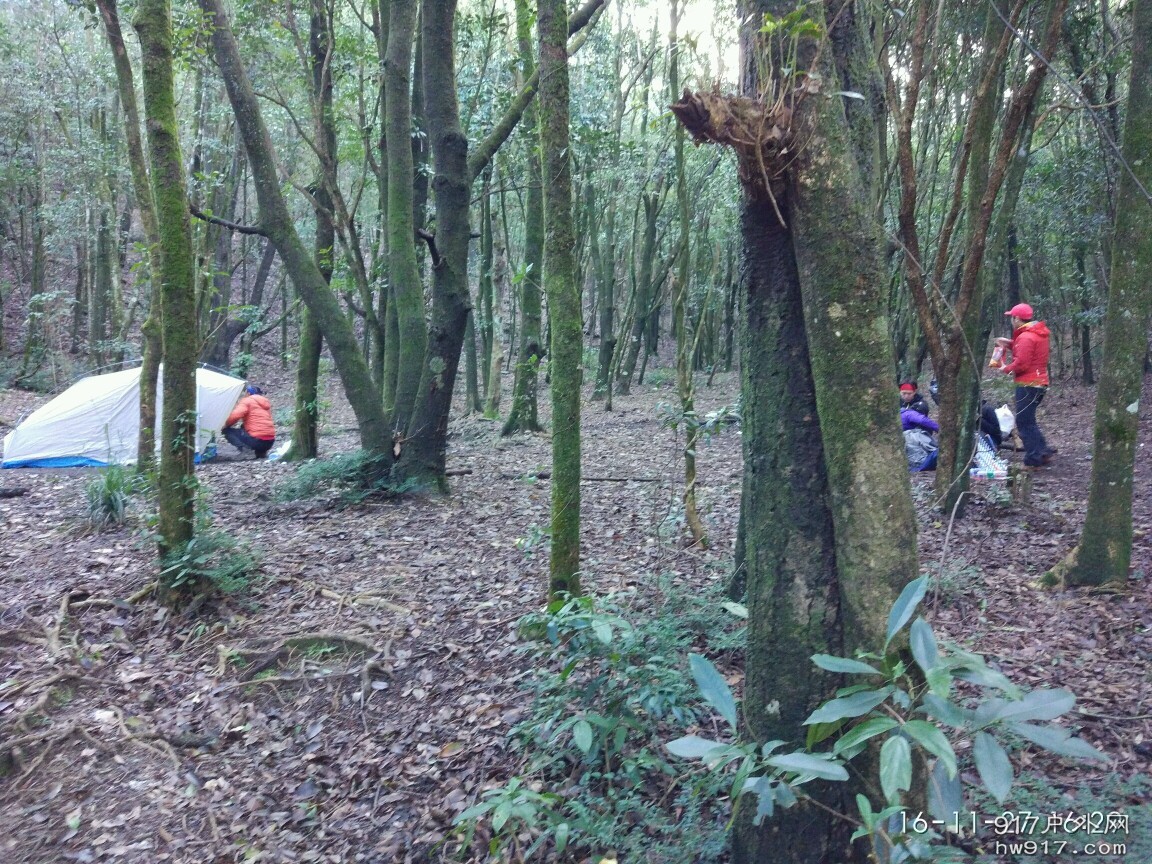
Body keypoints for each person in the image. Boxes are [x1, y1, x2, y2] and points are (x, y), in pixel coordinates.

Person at [997, 303, 1053, 468]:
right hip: (1038, 382)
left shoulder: (1026, 337)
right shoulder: (1037, 334)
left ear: (1017, 319)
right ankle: (1043, 451)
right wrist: (1010, 344)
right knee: (1029, 420)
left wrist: (1005, 368)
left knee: (1023, 421)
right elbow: (1028, 351)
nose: (1011, 321)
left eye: (1012, 318)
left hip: (1028, 383)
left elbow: (1022, 363)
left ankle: (1033, 459)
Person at [222, 385, 276, 459]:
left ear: (248, 393)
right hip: (270, 442)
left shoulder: (247, 401)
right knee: (245, 426)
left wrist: (226, 424)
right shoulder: (265, 404)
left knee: (227, 431)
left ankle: (247, 451)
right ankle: (261, 453)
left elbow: (235, 416)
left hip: (257, 441)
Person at [901, 405, 939, 471]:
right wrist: (939, 429)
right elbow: (922, 420)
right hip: (919, 461)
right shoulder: (910, 414)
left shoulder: (901, 413)